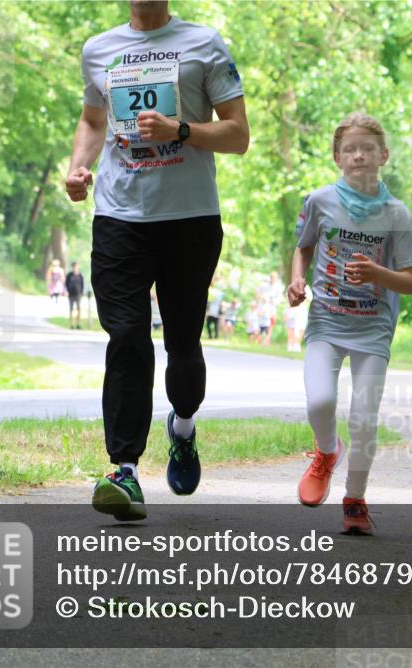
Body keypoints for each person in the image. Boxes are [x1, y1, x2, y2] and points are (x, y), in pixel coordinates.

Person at [65, 0, 249, 521]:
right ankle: (123, 470)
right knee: (126, 336)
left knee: (183, 344)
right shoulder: (99, 49)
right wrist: (78, 168)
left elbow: (238, 134)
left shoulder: (203, 43)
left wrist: (180, 130)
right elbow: (93, 120)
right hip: (119, 216)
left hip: (189, 218)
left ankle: (183, 426)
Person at [287, 112, 412, 535]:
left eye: (368, 148)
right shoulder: (319, 201)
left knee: (364, 419)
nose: (359, 155)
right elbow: (303, 247)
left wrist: (377, 274)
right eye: (350, 149)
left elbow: (410, 282)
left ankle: (355, 499)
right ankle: (327, 451)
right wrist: (296, 280)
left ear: (383, 155)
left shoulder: (396, 214)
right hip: (326, 322)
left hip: (372, 328)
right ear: (337, 157)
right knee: (319, 402)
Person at [65, 262, 86, 329]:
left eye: (76, 266)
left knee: (78, 309)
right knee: (71, 309)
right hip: (71, 294)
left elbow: (82, 285)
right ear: (72, 267)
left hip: (78, 294)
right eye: (74, 267)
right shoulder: (69, 275)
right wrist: (67, 291)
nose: (75, 268)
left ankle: (78, 324)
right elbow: (66, 284)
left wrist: (82, 293)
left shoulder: (80, 275)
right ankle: (71, 324)